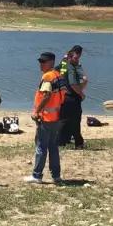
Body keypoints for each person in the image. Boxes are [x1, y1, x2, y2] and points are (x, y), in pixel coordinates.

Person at [24, 52, 67, 184]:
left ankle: (37, 176)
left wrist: (37, 111)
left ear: (51, 62)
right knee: (53, 147)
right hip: (56, 117)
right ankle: (56, 176)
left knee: (41, 147)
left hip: (46, 118)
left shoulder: (48, 77)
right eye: (40, 61)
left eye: (44, 62)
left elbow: (46, 95)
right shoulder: (58, 75)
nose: (41, 64)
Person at [57, 45, 88, 149]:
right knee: (75, 120)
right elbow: (75, 83)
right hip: (72, 96)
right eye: (76, 57)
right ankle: (78, 143)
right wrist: (81, 92)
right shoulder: (72, 67)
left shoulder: (63, 62)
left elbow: (57, 71)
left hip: (63, 95)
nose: (78, 59)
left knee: (63, 120)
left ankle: (61, 141)